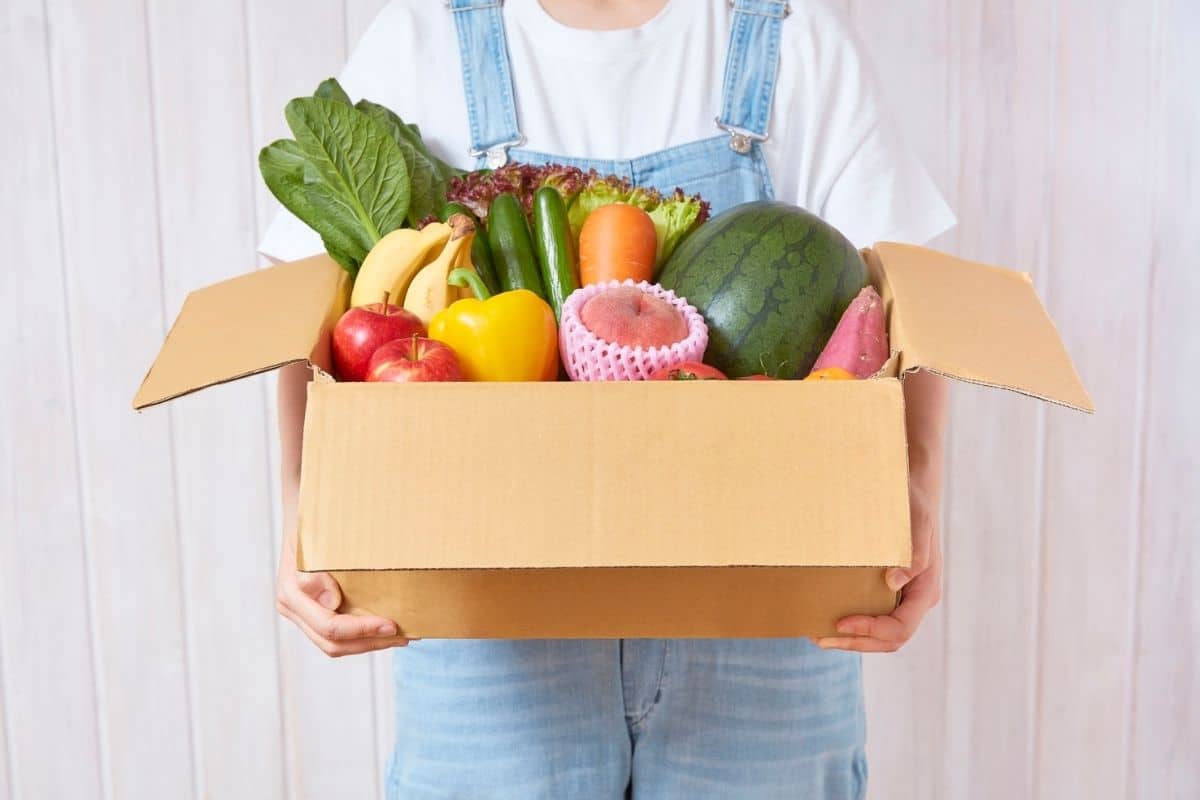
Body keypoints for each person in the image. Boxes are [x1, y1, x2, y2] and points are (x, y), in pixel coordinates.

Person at [261, 1, 953, 797]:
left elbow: (911, 302)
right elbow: (301, 314)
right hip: (492, 630)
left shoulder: (793, 42)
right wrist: (302, 511)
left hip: (764, 619)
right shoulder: (422, 43)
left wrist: (919, 488)